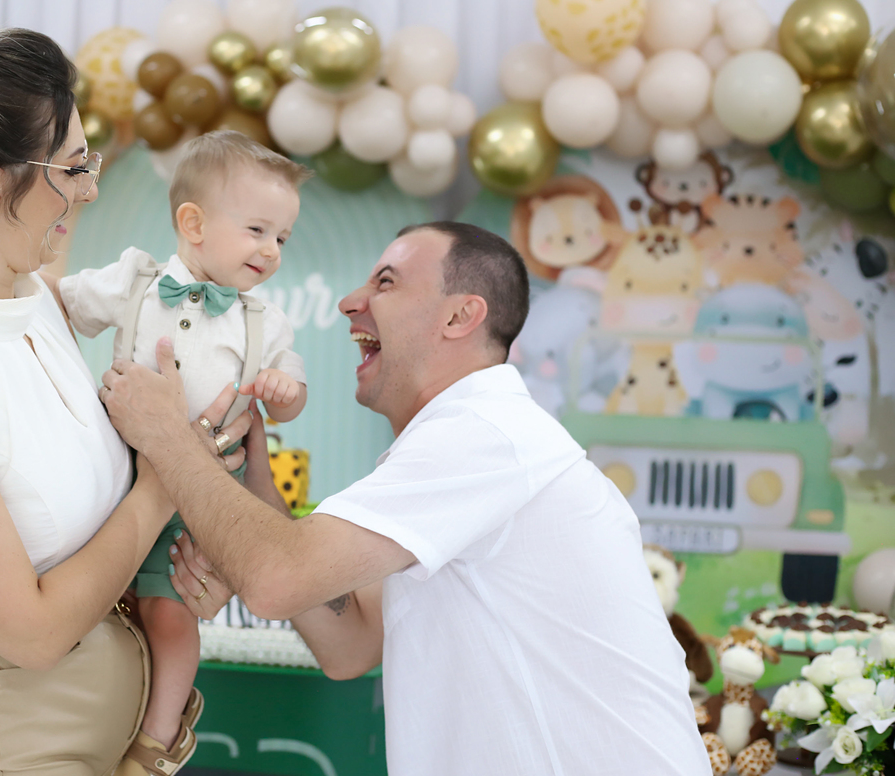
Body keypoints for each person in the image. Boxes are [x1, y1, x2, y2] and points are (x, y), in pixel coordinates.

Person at [102, 221, 713, 775]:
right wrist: (255, 472)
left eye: (386, 283)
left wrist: (166, 437)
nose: (350, 302)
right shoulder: (468, 442)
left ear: (460, 316)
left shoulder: (484, 433)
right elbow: (350, 643)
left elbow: (278, 580)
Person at [0, 10, 250, 775]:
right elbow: (30, 634)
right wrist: (165, 481)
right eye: (71, 168)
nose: (91, 190)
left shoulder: (36, 300)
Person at [56, 131, 309, 773]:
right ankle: (91, 722)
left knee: (171, 615)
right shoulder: (136, 282)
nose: (272, 250)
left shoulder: (264, 323)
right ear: (193, 224)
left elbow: (289, 395)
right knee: (93, 606)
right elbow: (59, 305)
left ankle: (156, 736)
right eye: (258, 230)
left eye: (283, 238)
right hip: (113, 483)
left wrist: (282, 392)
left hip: (199, 500)